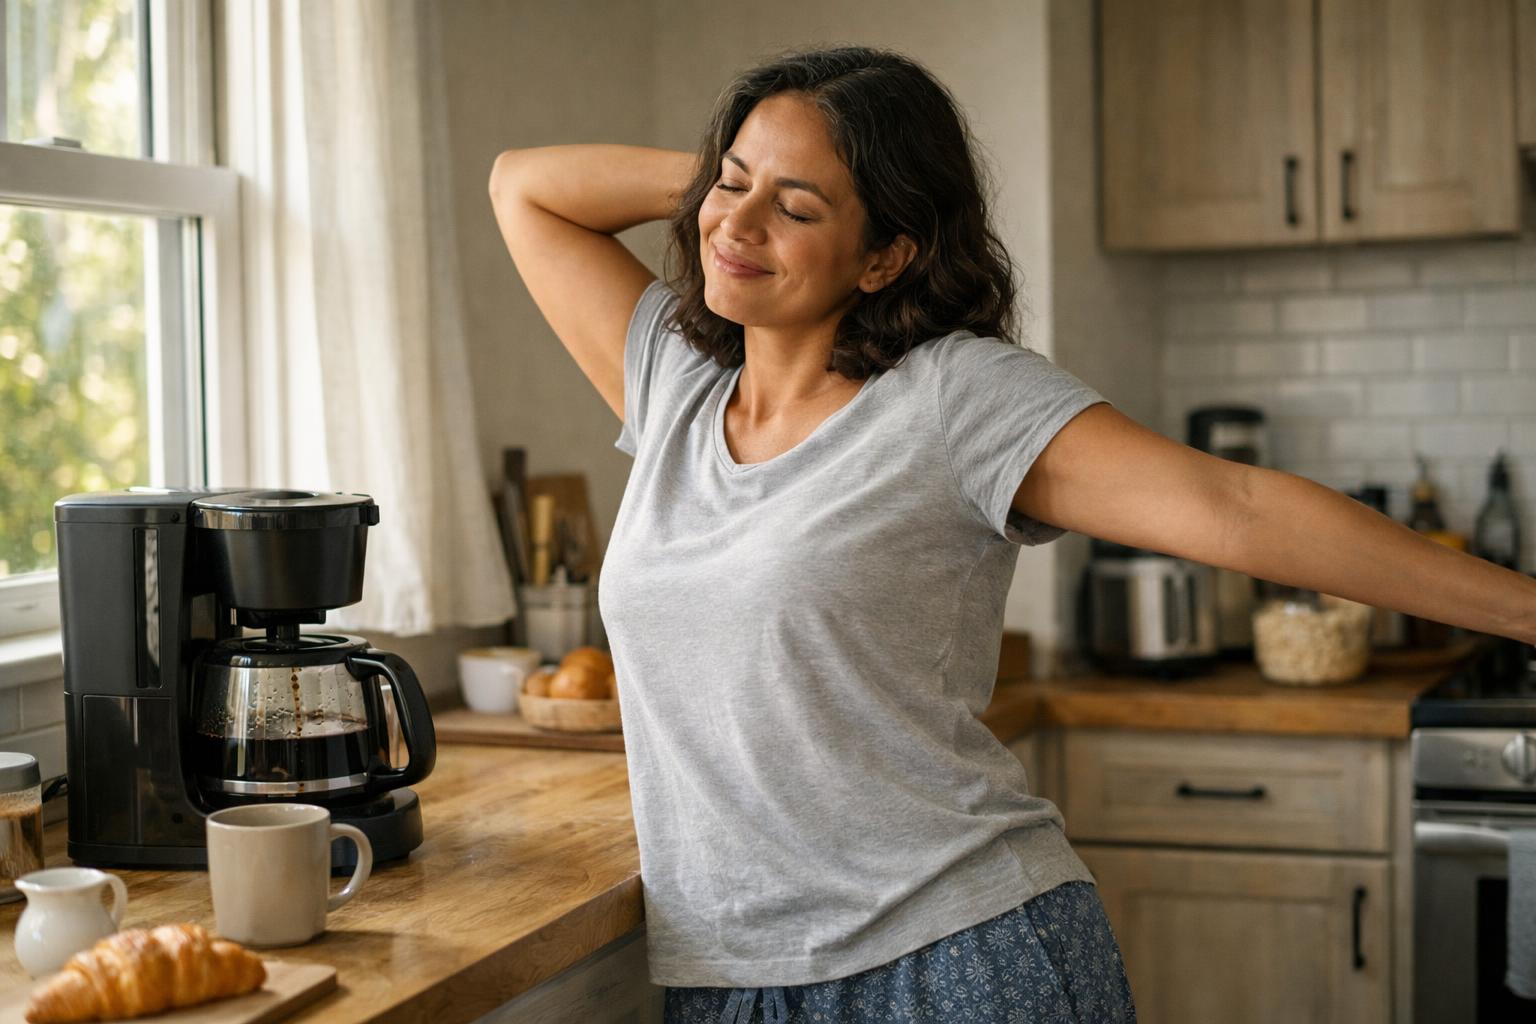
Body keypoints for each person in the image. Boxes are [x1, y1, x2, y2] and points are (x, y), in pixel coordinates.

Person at [489, 44, 1534, 1024]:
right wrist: (749, 175)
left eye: (797, 206)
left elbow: (1237, 509)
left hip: (955, 959)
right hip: (731, 978)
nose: (738, 224)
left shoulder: (953, 399)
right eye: (732, 184)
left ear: (884, 254)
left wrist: (1526, 609)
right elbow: (521, 188)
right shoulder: (672, 385)